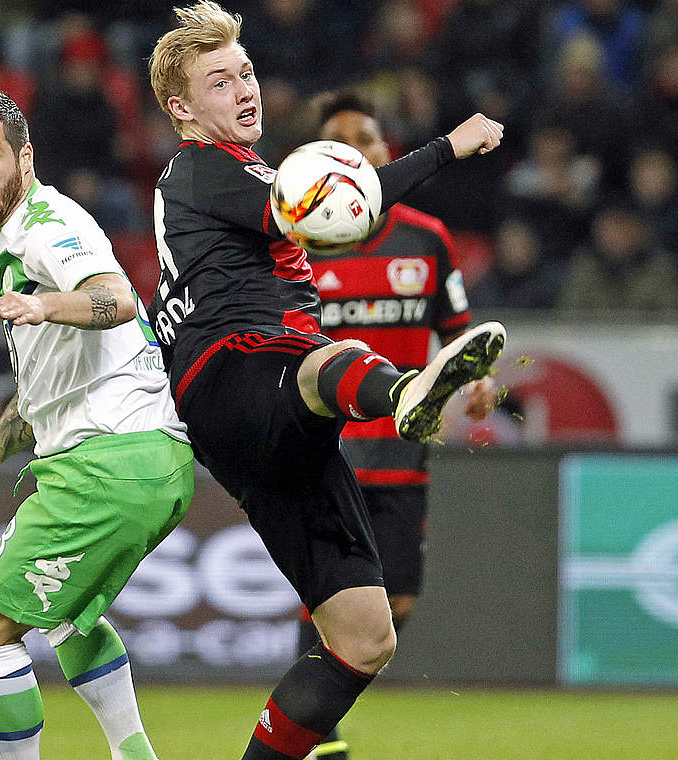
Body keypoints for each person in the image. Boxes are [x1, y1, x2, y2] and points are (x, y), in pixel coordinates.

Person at [146, 5, 505, 759]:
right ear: (181, 108)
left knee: (363, 637)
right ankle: (404, 394)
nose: (243, 89)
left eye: (245, 72)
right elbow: (349, 208)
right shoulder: (200, 167)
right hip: (237, 371)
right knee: (313, 359)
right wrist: (448, 146)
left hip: (264, 431)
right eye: (220, 81)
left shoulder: (235, 177)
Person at [0, 89, 193, 760]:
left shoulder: (46, 224)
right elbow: (45, 394)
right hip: (138, 461)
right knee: (67, 618)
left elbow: (114, 297)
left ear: (25, 157)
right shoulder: (10, 243)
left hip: (108, 466)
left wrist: (48, 305)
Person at [293, 91, 500, 760]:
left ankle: (316, 712)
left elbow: (458, 330)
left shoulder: (426, 237)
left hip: (404, 456)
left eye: (367, 137)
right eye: (339, 139)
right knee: (330, 603)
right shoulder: (298, 247)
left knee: (398, 602)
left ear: (386, 153)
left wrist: (481, 378)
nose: (356, 147)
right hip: (326, 454)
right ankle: (317, 732)